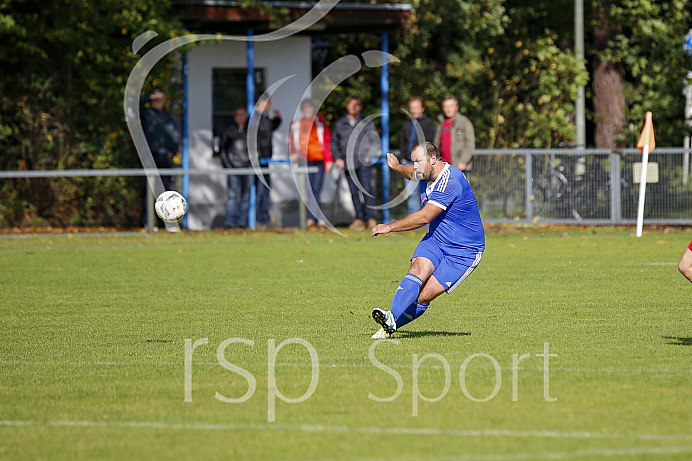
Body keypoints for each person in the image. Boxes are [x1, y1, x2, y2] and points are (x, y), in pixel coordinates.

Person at [370, 142, 485, 339]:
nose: (415, 166)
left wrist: (390, 227)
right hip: (438, 238)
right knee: (418, 269)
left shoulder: (451, 181)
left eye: (418, 161)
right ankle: (390, 318)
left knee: (424, 295)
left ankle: (392, 323)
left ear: (433, 160)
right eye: (413, 161)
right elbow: (410, 173)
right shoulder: (426, 172)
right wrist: (396, 166)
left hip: (464, 251)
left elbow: (424, 218)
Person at [331, 97, 381, 230]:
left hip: (363, 163)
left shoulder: (366, 122)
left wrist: (369, 156)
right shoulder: (340, 123)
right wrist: (338, 158)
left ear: (360, 107)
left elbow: (374, 140)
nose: (353, 107)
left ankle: (371, 218)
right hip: (347, 164)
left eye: (356, 105)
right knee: (353, 192)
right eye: (351, 104)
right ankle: (359, 219)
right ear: (347, 106)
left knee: (367, 191)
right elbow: (334, 142)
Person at [289, 98, 334, 228]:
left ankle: (312, 218)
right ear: (303, 109)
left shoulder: (320, 124)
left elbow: (326, 142)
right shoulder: (296, 124)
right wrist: (293, 153)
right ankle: (316, 217)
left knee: (316, 189)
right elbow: (292, 141)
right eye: (306, 107)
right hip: (304, 161)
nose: (308, 110)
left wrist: (329, 160)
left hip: (318, 160)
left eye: (310, 107)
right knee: (309, 190)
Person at [140, 89, 180, 226]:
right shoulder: (146, 114)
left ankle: (165, 223)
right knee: (147, 189)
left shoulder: (169, 117)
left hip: (165, 157)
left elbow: (175, 136)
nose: (157, 102)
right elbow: (135, 107)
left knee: (165, 190)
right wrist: (148, 96)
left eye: (160, 99)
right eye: (155, 100)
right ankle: (147, 223)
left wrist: (172, 152)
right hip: (150, 156)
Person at [398, 97, 438, 215]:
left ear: (422, 109)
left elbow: (432, 144)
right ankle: (414, 218)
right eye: (412, 108)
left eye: (416, 108)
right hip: (409, 162)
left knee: (427, 191)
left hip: (424, 164)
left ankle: (427, 218)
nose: (414, 110)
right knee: (411, 193)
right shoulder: (406, 125)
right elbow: (403, 143)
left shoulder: (429, 124)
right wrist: (402, 158)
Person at [219, 107, 253, 229]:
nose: (240, 117)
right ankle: (229, 222)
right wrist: (227, 164)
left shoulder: (251, 131)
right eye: (237, 114)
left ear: (246, 116)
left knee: (245, 196)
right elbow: (222, 148)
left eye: (242, 114)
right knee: (232, 196)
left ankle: (242, 222)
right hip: (233, 168)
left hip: (247, 168)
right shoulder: (228, 130)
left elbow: (256, 147)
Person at [253, 95, 282, 227]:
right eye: (267, 104)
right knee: (260, 190)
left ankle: (263, 217)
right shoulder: (255, 119)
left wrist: (277, 119)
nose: (269, 107)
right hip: (258, 160)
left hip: (265, 159)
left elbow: (269, 129)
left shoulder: (263, 119)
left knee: (265, 189)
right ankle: (260, 218)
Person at [434, 96, 475, 172]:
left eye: (451, 106)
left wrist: (463, 161)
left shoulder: (464, 123)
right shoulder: (440, 124)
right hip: (443, 166)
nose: (448, 109)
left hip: (458, 167)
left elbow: (470, 145)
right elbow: (436, 144)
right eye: (446, 106)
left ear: (457, 107)